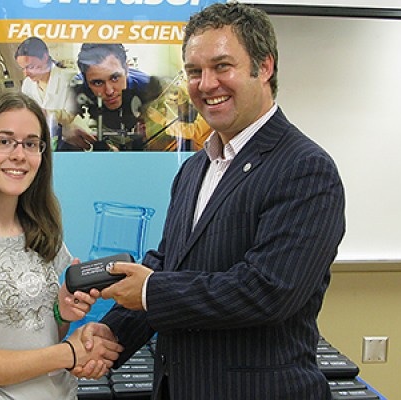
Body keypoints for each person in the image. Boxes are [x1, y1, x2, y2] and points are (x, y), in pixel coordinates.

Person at [72, 2, 346, 399]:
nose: (206, 84)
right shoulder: (194, 168)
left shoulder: (306, 168)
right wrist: (112, 332)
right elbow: (168, 264)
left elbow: (267, 291)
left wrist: (150, 292)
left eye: (222, 66)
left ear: (264, 67)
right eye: (194, 71)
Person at [0, 92, 122, 399]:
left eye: (31, 143)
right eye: (4, 141)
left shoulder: (44, 235)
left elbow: (44, 334)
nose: (19, 155)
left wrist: (62, 313)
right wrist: (68, 354)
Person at [70, 43, 163, 151]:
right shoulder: (76, 87)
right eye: (98, 83)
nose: (109, 91)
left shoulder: (147, 88)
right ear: (85, 80)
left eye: (115, 78)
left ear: (127, 70)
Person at [15, 37, 93, 151]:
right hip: (42, 143)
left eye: (30, 67)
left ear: (45, 57)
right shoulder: (28, 84)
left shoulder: (69, 78)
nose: (26, 73)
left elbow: (71, 117)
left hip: (72, 144)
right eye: (23, 68)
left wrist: (42, 114)